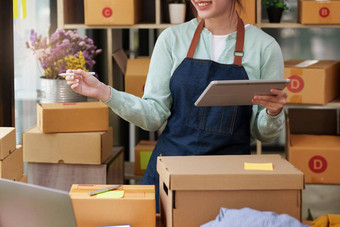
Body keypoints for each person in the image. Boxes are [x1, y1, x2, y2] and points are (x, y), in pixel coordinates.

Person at [65, 0, 287, 212]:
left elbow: (262, 133)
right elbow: (153, 116)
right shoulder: (172, 39)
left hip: (227, 175)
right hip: (170, 172)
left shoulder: (264, 47)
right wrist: (104, 92)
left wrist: (273, 111)